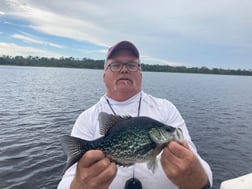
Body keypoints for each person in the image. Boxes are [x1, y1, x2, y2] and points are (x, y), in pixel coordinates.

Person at [57, 40, 212, 189]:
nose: (124, 69)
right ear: (104, 76)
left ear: (140, 74)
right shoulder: (87, 118)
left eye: (131, 65)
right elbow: (66, 183)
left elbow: (201, 167)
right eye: (116, 65)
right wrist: (80, 185)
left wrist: (194, 175)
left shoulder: (165, 109)